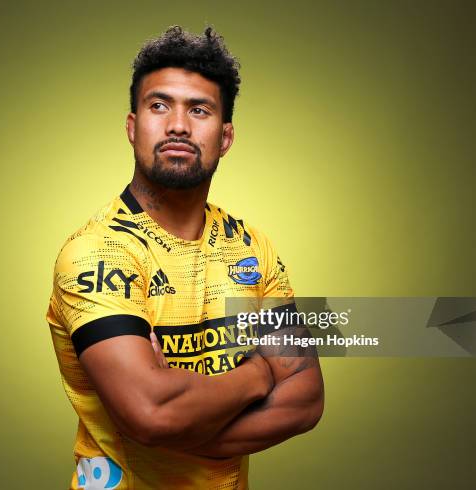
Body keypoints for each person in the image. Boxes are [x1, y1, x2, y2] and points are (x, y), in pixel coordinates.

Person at [46, 26, 324, 490]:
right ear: (133, 128)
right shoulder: (97, 252)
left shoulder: (252, 246)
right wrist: (258, 374)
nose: (178, 125)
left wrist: (187, 423)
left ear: (226, 136)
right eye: (159, 106)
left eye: (199, 110)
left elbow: (307, 399)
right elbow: (152, 413)